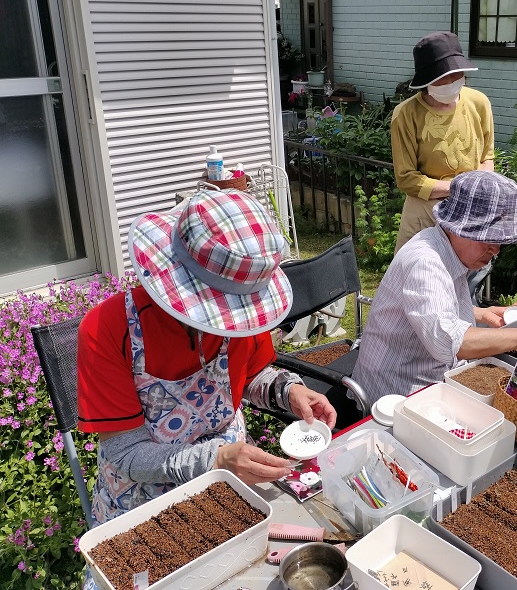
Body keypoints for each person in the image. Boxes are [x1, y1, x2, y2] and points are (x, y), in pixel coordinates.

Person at [77, 189, 337, 526]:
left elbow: (250, 375)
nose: (228, 323)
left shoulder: (243, 312)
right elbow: (126, 453)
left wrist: (287, 390)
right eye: (220, 306)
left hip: (232, 479)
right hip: (142, 500)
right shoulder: (108, 328)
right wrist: (215, 459)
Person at [354, 170, 517, 397]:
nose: (495, 249)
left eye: (499, 240)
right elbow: (450, 342)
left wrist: (480, 314)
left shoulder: (446, 247)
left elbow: (431, 308)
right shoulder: (426, 262)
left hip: (428, 378)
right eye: (489, 237)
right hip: (395, 395)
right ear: (458, 227)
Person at [390, 31, 495, 254]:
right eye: (441, 77)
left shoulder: (479, 103)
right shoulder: (406, 114)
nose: (450, 82)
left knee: (466, 281)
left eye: (455, 75)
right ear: (426, 81)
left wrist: (475, 191)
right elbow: (407, 179)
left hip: (468, 210)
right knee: (420, 279)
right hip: (425, 213)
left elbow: (487, 157)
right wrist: (458, 188)